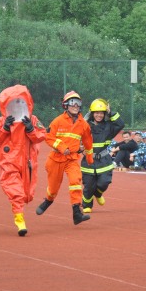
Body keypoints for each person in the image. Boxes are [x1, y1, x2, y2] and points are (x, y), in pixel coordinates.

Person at [0, 85, 46, 236]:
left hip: (27, 162)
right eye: (13, 103)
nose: (17, 106)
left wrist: (30, 129)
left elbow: (41, 136)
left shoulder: (32, 120)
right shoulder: (3, 121)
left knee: (27, 194)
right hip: (9, 162)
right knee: (16, 192)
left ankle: (19, 210)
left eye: (20, 102)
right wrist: (5, 128)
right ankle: (19, 219)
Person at [36, 91, 94, 225]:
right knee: (53, 188)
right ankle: (48, 201)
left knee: (75, 181)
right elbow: (48, 137)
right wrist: (62, 147)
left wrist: (90, 159)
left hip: (72, 159)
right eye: (72, 103)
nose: (75, 106)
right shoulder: (58, 121)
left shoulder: (83, 124)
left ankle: (77, 213)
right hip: (55, 159)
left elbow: (88, 143)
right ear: (66, 105)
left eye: (78, 103)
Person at [81, 98, 125, 213]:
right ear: (92, 113)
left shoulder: (108, 126)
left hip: (104, 160)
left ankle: (98, 193)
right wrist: (80, 150)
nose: (99, 115)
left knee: (104, 182)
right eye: (96, 113)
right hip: (88, 161)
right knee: (89, 185)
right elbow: (75, 140)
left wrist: (111, 113)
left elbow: (121, 124)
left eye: (101, 113)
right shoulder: (85, 126)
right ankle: (87, 204)